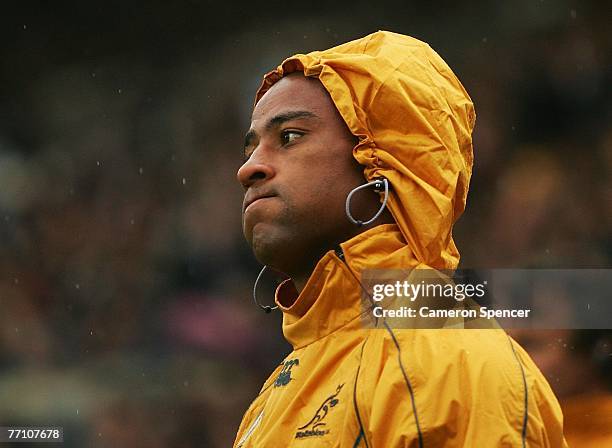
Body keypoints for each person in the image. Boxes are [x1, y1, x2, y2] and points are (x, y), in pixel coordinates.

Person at [234, 31, 567, 447]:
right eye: (251, 148)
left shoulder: (452, 360)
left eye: (289, 137)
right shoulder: (283, 384)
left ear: (383, 165)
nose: (248, 169)